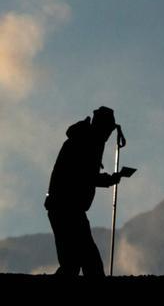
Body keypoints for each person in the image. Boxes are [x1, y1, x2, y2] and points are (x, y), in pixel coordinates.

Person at [45, 106, 131, 276]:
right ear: (101, 127)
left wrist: (110, 178)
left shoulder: (84, 139)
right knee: (84, 263)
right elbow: (85, 175)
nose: (108, 135)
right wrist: (112, 179)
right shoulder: (84, 143)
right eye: (107, 130)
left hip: (65, 208)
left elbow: (86, 175)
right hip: (66, 209)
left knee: (75, 263)